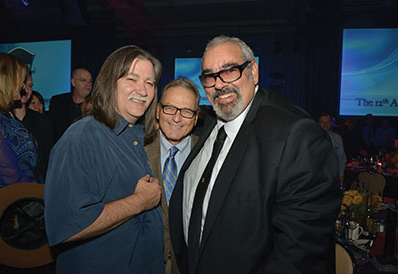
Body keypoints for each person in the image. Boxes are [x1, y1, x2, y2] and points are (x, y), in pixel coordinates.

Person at [168, 36, 341, 274]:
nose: (219, 84)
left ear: (254, 71)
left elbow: (301, 255)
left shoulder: (295, 133)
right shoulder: (212, 120)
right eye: (209, 76)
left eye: (230, 71)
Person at [45, 45, 164, 274]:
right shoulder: (81, 138)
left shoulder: (136, 136)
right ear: (110, 82)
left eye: (150, 83)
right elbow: (67, 226)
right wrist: (139, 201)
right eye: (132, 79)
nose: (143, 90)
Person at [145, 77, 200, 274]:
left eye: (186, 111)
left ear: (195, 117)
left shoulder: (209, 154)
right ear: (158, 111)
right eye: (170, 108)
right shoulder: (136, 150)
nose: (177, 118)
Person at [0, 52, 40, 197]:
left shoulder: (3, 113)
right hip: (5, 209)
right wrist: (42, 199)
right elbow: (9, 174)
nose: (23, 86)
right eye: (21, 79)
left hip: (21, 202)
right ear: (5, 78)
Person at [12, 72, 54, 179]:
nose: (26, 90)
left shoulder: (42, 120)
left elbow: (48, 157)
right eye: (22, 85)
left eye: (30, 86)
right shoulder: (2, 118)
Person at [48, 68, 92, 141]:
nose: (88, 84)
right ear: (73, 82)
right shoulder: (58, 102)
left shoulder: (96, 104)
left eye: (90, 81)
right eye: (83, 80)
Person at [318, 114, 347, 183]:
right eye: (322, 122)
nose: (325, 124)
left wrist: (341, 174)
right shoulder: (312, 138)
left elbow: (341, 157)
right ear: (318, 123)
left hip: (333, 175)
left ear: (331, 123)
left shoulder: (337, 138)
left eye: (327, 122)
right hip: (317, 176)